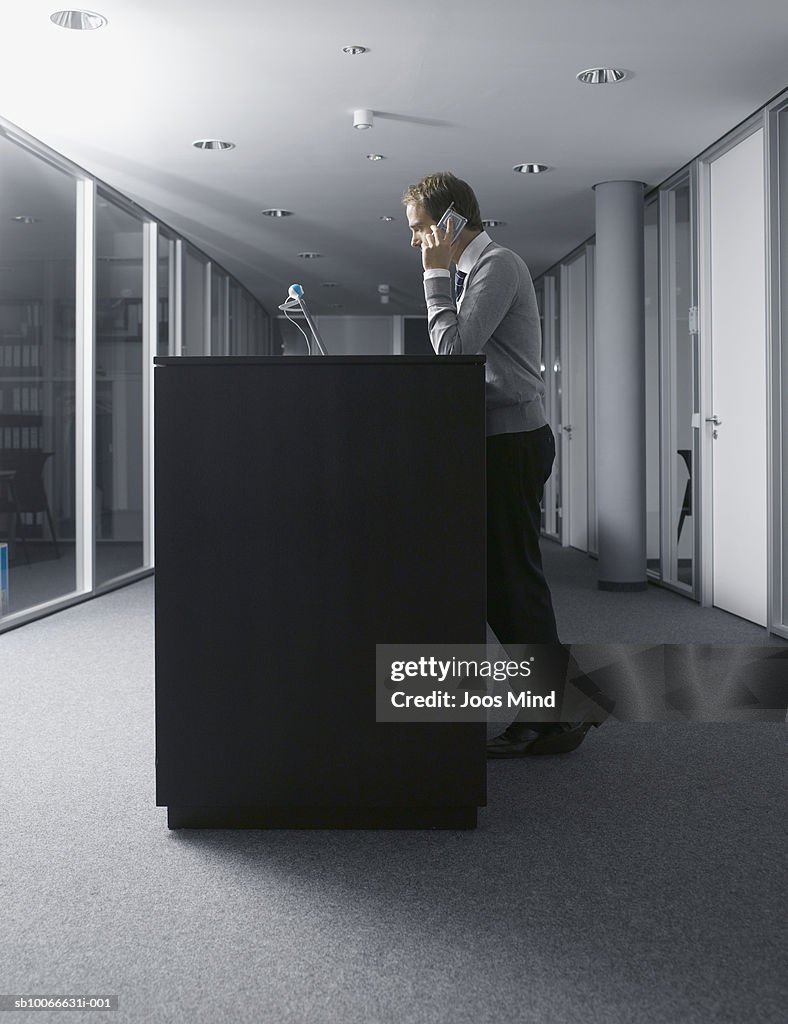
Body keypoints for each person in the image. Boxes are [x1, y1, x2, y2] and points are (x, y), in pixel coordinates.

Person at [402, 171, 611, 756]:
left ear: (448, 224)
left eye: (420, 231)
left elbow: (455, 351)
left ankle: (554, 714)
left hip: (512, 441)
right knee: (504, 578)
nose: (414, 243)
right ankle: (565, 704)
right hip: (497, 440)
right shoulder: (477, 274)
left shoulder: (497, 266)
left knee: (510, 579)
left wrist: (434, 274)